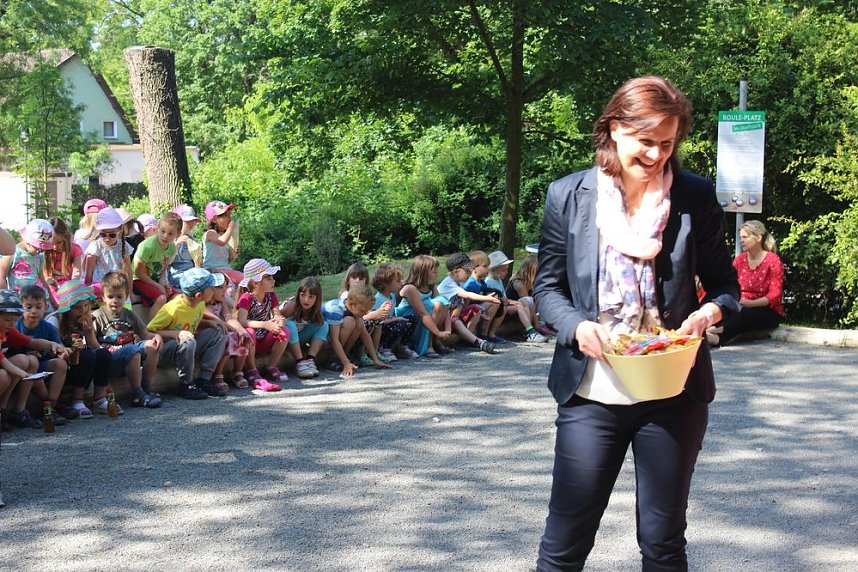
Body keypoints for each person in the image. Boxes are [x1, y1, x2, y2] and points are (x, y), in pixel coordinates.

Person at [533, 76, 740, 571]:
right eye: (645, 141)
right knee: (564, 545)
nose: (655, 155)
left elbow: (726, 286)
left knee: (663, 543)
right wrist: (577, 327)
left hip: (673, 393)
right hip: (591, 392)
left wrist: (709, 312)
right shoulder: (569, 195)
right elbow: (547, 290)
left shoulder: (694, 196)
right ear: (613, 129)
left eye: (667, 144)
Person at [147, 267, 227, 400]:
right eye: (211, 287)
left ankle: (204, 380)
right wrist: (176, 334)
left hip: (188, 347)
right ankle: (186, 384)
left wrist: (208, 323)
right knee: (188, 341)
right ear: (199, 295)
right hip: (165, 352)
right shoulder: (173, 308)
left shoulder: (199, 303)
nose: (213, 290)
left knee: (218, 332)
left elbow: (191, 321)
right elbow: (150, 331)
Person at [706, 220, 784, 346]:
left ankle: (714, 333)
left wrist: (751, 303)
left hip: (767, 310)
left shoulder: (773, 260)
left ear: (758, 238)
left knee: (742, 314)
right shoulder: (740, 260)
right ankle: (711, 334)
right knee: (727, 311)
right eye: (740, 237)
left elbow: (775, 295)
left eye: (745, 237)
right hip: (741, 305)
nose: (741, 240)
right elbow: (729, 284)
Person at [92, 272, 163, 408]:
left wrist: (156, 337)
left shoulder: (129, 314)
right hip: (111, 361)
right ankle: (137, 394)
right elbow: (92, 346)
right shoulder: (97, 316)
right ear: (103, 297)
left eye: (119, 296)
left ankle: (145, 388)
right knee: (133, 350)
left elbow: (145, 334)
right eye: (110, 296)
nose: (115, 301)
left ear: (126, 296)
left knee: (152, 346)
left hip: (131, 358)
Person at [48, 280, 115, 419]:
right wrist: (73, 350)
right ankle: (77, 401)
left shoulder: (88, 319)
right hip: (63, 367)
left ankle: (99, 398)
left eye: (86, 305)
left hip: (81, 364)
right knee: (86, 355)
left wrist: (89, 333)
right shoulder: (55, 321)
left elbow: (96, 347)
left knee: (104, 354)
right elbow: (54, 352)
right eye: (78, 308)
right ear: (67, 308)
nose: (83, 310)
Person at [0, 289, 65, 430]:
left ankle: (18, 411)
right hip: (5, 371)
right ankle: (3, 411)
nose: (11, 324)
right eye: (7, 320)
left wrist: (52, 344)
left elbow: (30, 342)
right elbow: (3, 361)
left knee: (30, 361)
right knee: (5, 374)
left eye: (14, 320)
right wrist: (25, 375)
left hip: (10, 368)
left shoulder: (8, 331)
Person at [14, 285, 70, 425]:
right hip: (24, 369)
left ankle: (51, 405)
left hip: (43, 366)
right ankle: (50, 408)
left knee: (60, 364)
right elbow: (11, 351)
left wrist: (63, 353)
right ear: (21, 307)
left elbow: (58, 347)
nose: (33, 311)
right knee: (35, 374)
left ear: (45, 307)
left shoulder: (47, 327)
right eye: (29, 307)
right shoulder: (16, 326)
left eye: (38, 307)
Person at [235, 258, 290, 390]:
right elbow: (242, 321)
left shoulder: (271, 296)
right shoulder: (246, 298)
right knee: (250, 332)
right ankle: (252, 371)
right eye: (269, 278)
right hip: (250, 342)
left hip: (264, 340)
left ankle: (271, 366)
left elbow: (276, 314)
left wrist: (279, 321)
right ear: (256, 283)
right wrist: (265, 325)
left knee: (286, 331)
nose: (274, 281)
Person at [321, 284, 391, 376]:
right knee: (350, 321)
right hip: (322, 344)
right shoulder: (336, 309)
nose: (364, 314)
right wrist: (346, 363)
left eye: (366, 311)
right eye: (362, 311)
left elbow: (365, 335)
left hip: (332, 341)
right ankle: (333, 359)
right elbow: (334, 340)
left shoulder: (352, 309)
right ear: (350, 304)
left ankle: (343, 357)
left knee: (358, 322)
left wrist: (375, 359)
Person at [435, 253, 498, 354]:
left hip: (453, 315)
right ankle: (478, 342)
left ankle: (468, 337)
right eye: (467, 271)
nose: (470, 274)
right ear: (456, 272)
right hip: (444, 318)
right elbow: (467, 295)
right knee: (456, 321)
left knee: (476, 309)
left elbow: (463, 304)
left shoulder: (460, 282)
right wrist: (487, 298)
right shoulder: (449, 283)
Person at [484, 250, 548, 343]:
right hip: (500, 309)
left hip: (505, 305)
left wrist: (511, 301)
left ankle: (530, 330)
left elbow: (504, 297)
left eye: (507, 270)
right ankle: (530, 331)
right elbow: (493, 298)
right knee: (523, 303)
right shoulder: (490, 282)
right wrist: (512, 302)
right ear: (493, 269)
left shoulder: (498, 281)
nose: (506, 272)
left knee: (524, 303)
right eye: (503, 270)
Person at [395, 255, 451, 357]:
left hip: (426, 318)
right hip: (410, 320)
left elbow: (445, 305)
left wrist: (448, 330)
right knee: (437, 305)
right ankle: (429, 345)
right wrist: (438, 332)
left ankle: (436, 342)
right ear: (424, 273)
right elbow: (422, 314)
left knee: (440, 303)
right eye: (434, 272)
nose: (437, 275)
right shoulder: (410, 288)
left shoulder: (431, 286)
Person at [204, 271, 253, 390]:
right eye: (220, 288)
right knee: (228, 337)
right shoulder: (202, 305)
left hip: (223, 330)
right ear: (209, 289)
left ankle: (237, 371)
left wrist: (241, 331)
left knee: (241, 336)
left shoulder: (222, 302)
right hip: (211, 336)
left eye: (226, 287)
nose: (224, 291)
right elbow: (217, 320)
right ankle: (218, 374)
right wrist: (232, 329)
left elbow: (228, 318)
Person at [132, 212, 180, 319]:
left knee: (178, 298)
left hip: (154, 281)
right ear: (158, 227)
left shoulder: (172, 248)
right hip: (138, 281)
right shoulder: (147, 246)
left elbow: (163, 269)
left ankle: (168, 324)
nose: (165, 236)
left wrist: (163, 284)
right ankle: (150, 329)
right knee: (161, 298)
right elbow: (138, 272)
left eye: (170, 234)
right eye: (163, 231)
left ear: (178, 234)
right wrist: (158, 286)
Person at [280, 277, 329, 379]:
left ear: (317, 298)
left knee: (323, 324)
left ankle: (310, 359)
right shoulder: (291, 306)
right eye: (303, 295)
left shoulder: (314, 310)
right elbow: (277, 320)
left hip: (299, 338)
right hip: (284, 340)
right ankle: (299, 362)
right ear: (298, 294)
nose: (306, 300)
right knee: (290, 325)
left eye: (311, 297)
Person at [369, 263, 417, 360]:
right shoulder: (378, 300)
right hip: (381, 329)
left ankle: (402, 346)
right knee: (400, 324)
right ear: (385, 283)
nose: (401, 283)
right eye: (397, 281)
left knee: (412, 319)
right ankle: (384, 348)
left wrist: (396, 318)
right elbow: (376, 321)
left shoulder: (392, 296)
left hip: (391, 323)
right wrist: (395, 319)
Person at [84, 207, 133, 296]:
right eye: (103, 234)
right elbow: (88, 274)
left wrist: (130, 292)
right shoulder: (96, 246)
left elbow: (128, 271)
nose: (107, 238)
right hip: (100, 287)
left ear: (120, 230)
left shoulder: (124, 246)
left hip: (119, 286)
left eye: (112, 235)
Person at [0, 218, 53, 295]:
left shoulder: (39, 257)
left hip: (35, 299)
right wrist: (4, 299)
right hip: (16, 300)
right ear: (28, 240)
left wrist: (52, 299)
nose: (39, 250)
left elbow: (42, 279)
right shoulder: (12, 253)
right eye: (37, 246)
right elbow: (1, 276)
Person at [462, 250, 504, 343]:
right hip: (470, 311)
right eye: (485, 266)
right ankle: (473, 336)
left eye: (488, 266)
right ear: (474, 268)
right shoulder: (471, 284)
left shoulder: (481, 281)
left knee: (495, 302)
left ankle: (485, 333)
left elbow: (484, 293)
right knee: (493, 302)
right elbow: (466, 303)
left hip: (479, 308)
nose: (488, 269)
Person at [507, 253, 553, 338]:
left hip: (524, 310)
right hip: (512, 312)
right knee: (528, 302)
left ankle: (536, 326)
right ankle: (530, 331)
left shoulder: (530, 283)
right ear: (530, 271)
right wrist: (536, 325)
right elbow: (530, 304)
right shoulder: (519, 283)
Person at [202, 200, 244, 288]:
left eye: (229, 214)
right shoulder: (210, 233)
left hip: (226, 269)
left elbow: (227, 260)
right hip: (212, 270)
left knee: (245, 280)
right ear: (214, 219)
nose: (229, 218)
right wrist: (231, 229)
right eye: (225, 215)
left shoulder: (226, 236)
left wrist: (234, 253)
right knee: (229, 287)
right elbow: (221, 242)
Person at [45, 217, 83, 308]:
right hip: (50, 287)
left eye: (58, 242)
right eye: (52, 243)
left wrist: (71, 285)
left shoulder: (74, 249)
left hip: (69, 286)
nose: (54, 246)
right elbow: (46, 276)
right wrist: (51, 283)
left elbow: (77, 271)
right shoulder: (45, 250)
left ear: (65, 237)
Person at [167, 205, 203, 289]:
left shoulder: (192, 241)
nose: (192, 224)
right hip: (177, 276)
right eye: (188, 221)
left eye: (193, 221)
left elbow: (198, 264)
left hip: (192, 273)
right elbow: (166, 263)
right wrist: (176, 244)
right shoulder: (169, 239)